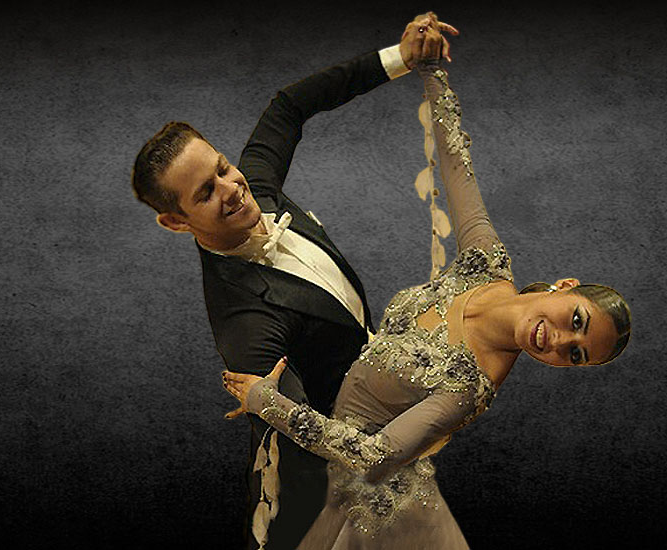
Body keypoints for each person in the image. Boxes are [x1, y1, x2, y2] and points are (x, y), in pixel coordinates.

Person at [221, 20, 632, 549]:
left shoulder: (470, 388)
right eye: (576, 321)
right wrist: (431, 67)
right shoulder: (486, 263)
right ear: (565, 286)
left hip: (361, 498)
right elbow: (457, 166)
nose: (560, 341)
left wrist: (267, 402)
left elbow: (372, 457)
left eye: (575, 355)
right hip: (329, 448)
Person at [131, 13, 460, 550]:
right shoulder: (244, 324)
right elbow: (301, 436)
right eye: (205, 194)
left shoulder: (255, 186)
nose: (231, 189)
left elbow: (289, 105)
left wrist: (401, 57)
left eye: (221, 168)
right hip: (341, 473)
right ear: (175, 221)